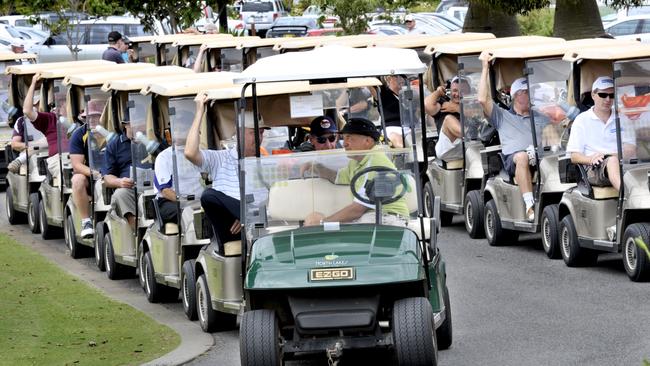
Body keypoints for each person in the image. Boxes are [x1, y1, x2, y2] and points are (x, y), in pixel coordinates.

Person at [185, 95, 266, 250]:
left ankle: (245, 215)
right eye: (253, 132)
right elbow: (190, 152)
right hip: (231, 227)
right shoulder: (221, 158)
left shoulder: (267, 161)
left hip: (262, 221)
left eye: (261, 132)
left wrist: (247, 216)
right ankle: (244, 215)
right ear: (240, 132)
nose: (259, 137)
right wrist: (199, 112)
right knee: (208, 195)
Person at [478, 53, 549, 221]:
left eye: (531, 91)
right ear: (517, 95)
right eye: (526, 92)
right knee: (523, 156)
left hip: (540, 156)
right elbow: (482, 99)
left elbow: (555, 135)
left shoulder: (540, 116)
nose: (531, 95)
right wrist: (485, 68)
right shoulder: (502, 116)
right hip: (514, 159)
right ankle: (529, 205)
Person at [303, 117, 410, 226]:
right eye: (344, 138)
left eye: (349, 138)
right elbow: (337, 177)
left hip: (389, 219)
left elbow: (357, 210)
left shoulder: (375, 161)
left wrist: (321, 223)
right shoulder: (357, 160)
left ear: (367, 141)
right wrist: (315, 167)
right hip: (374, 218)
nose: (344, 144)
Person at [566, 76, 635, 240]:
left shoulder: (622, 118)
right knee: (611, 162)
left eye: (611, 95)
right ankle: (629, 199)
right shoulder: (582, 120)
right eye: (603, 95)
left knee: (617, 162)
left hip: (623, 164)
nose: (608, 99)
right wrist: (590, 158)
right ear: (593, 95)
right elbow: (574, 156)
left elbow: (631, 148)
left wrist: (612, 155)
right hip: (593, 168)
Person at [153, 111, 206, 225]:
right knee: (188, 213)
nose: (178, 132)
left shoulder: (204, 154)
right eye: (176, 128)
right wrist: (186, 203)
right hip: (172, 202)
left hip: (201, 201)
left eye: (183, 128)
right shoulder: (164, 157)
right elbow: (165, 191)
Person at [69, 100, 104, 238]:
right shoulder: (79, 134)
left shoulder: (112, 132)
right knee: (77, 180)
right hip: (91, 174)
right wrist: (94, 173)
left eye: (95, 116)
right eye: (89, 117)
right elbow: (77, 164)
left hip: (113, 173)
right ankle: (86, 221)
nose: (92, 120)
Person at [102, 118, 136, 230]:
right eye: (134, 121)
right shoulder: (114, 145)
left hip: (153, 185)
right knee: (120, 194)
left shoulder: (152, 142)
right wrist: (120, 182)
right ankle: (135, 229)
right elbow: (107, 177)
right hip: (129, 186)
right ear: (126, 124)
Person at [425, 76, 469, 162]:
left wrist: (457, 108)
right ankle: (469, 134)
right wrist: (438, 92)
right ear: (450, 91)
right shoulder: (443, 104)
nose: (458, 94)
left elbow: (480, 114)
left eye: (462, 91)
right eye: (455, 91)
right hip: (447, 149)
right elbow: (427, 105)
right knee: (449, 119)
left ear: (469, 92)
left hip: (466, 147)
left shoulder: (473, 105)